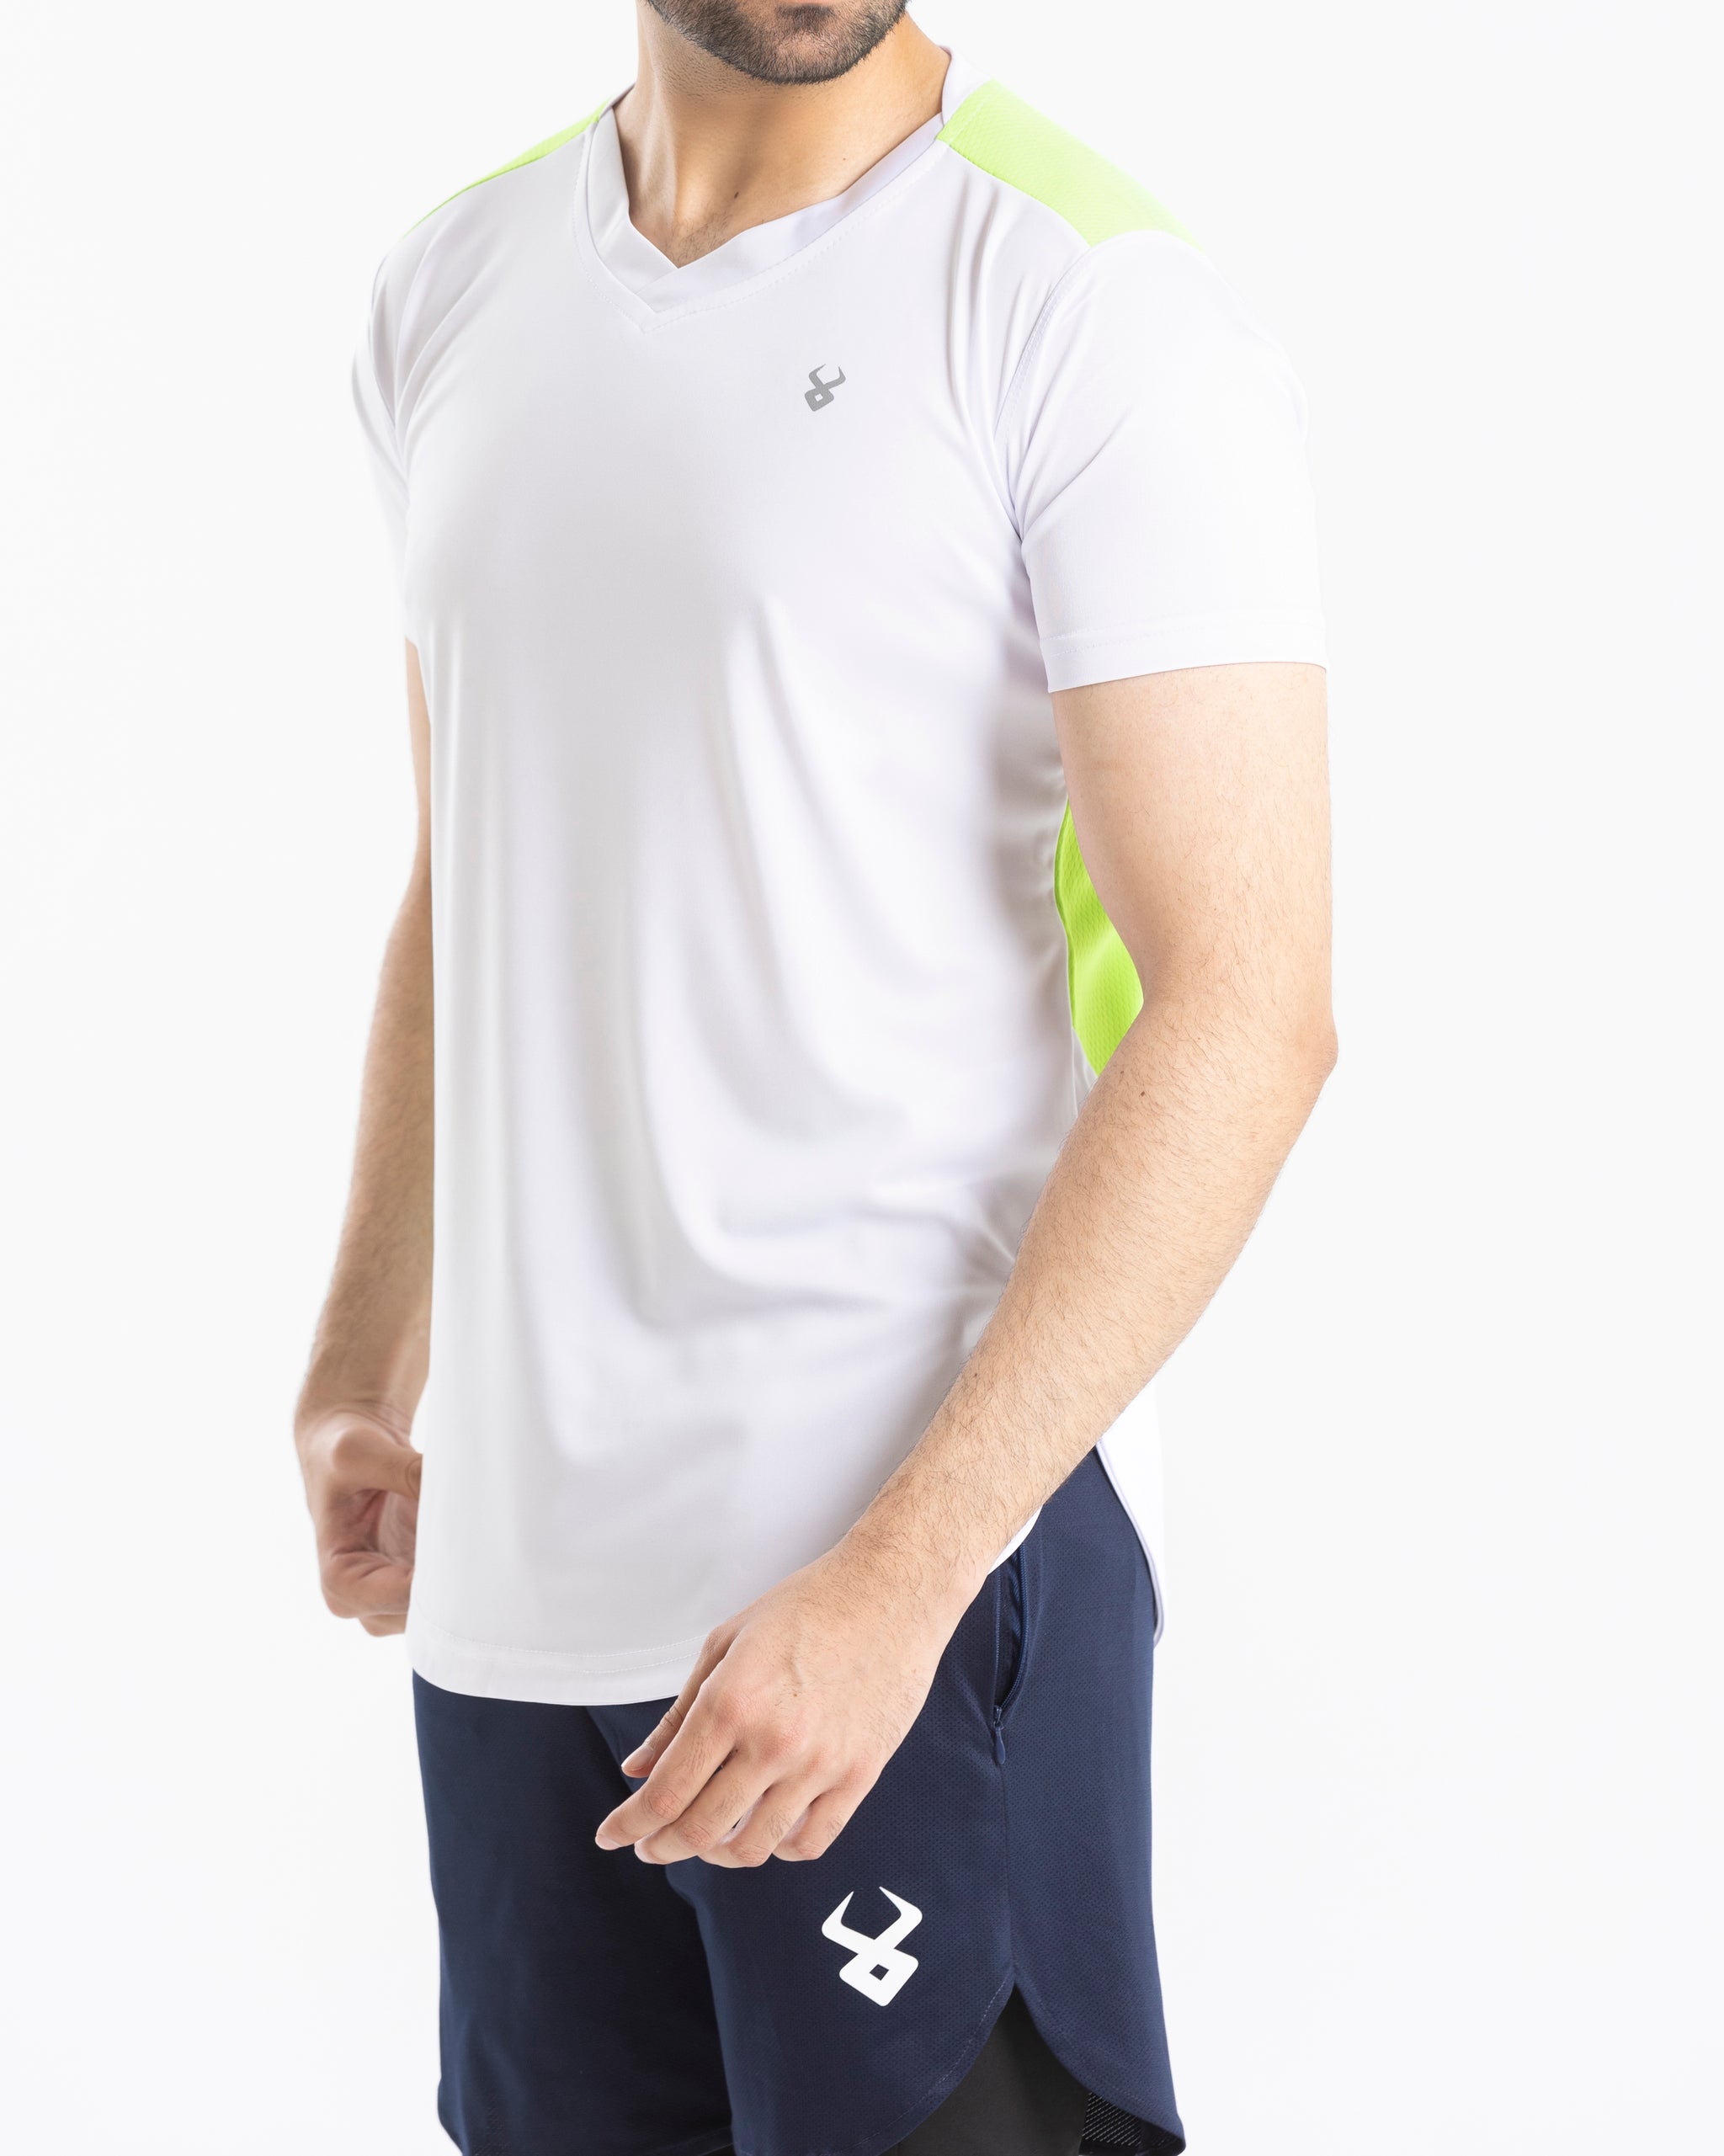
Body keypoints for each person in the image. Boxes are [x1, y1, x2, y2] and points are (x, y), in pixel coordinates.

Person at [296, 4, 1334, 2151]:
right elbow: (469, 872)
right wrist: (361, 1362)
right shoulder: (451, 290)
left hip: (903, 1590)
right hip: (518, 1609)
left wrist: (902, 1579)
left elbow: (1250, 1005)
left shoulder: (1079, 301)